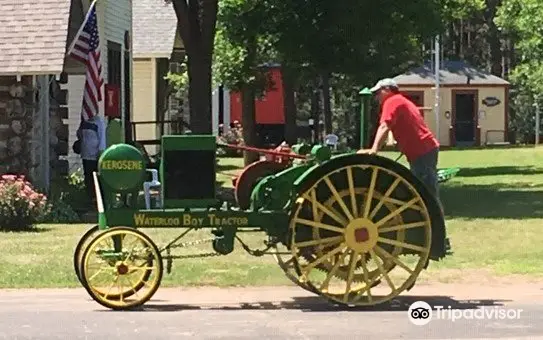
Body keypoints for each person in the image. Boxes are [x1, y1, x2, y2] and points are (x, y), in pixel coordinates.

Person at [357, 78, 442, 210]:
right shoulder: (402, 101)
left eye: (378, 93)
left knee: (426, 193)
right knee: (422, 189)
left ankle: (436, 224)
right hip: (425, 149)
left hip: (422, 151)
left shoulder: (392, 102)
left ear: (387, 90)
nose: (377, 97)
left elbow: (384, 126)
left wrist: (374, 149)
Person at [76, 115, 106, 203]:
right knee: (88, 177)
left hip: (95, 155)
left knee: (96, 178)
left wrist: (100, 153)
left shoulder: (99, 122)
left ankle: (98, 199)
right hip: (85, 154)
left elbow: (102, 140)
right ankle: (89, 198)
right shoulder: (84, 121)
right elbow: (79, 134)